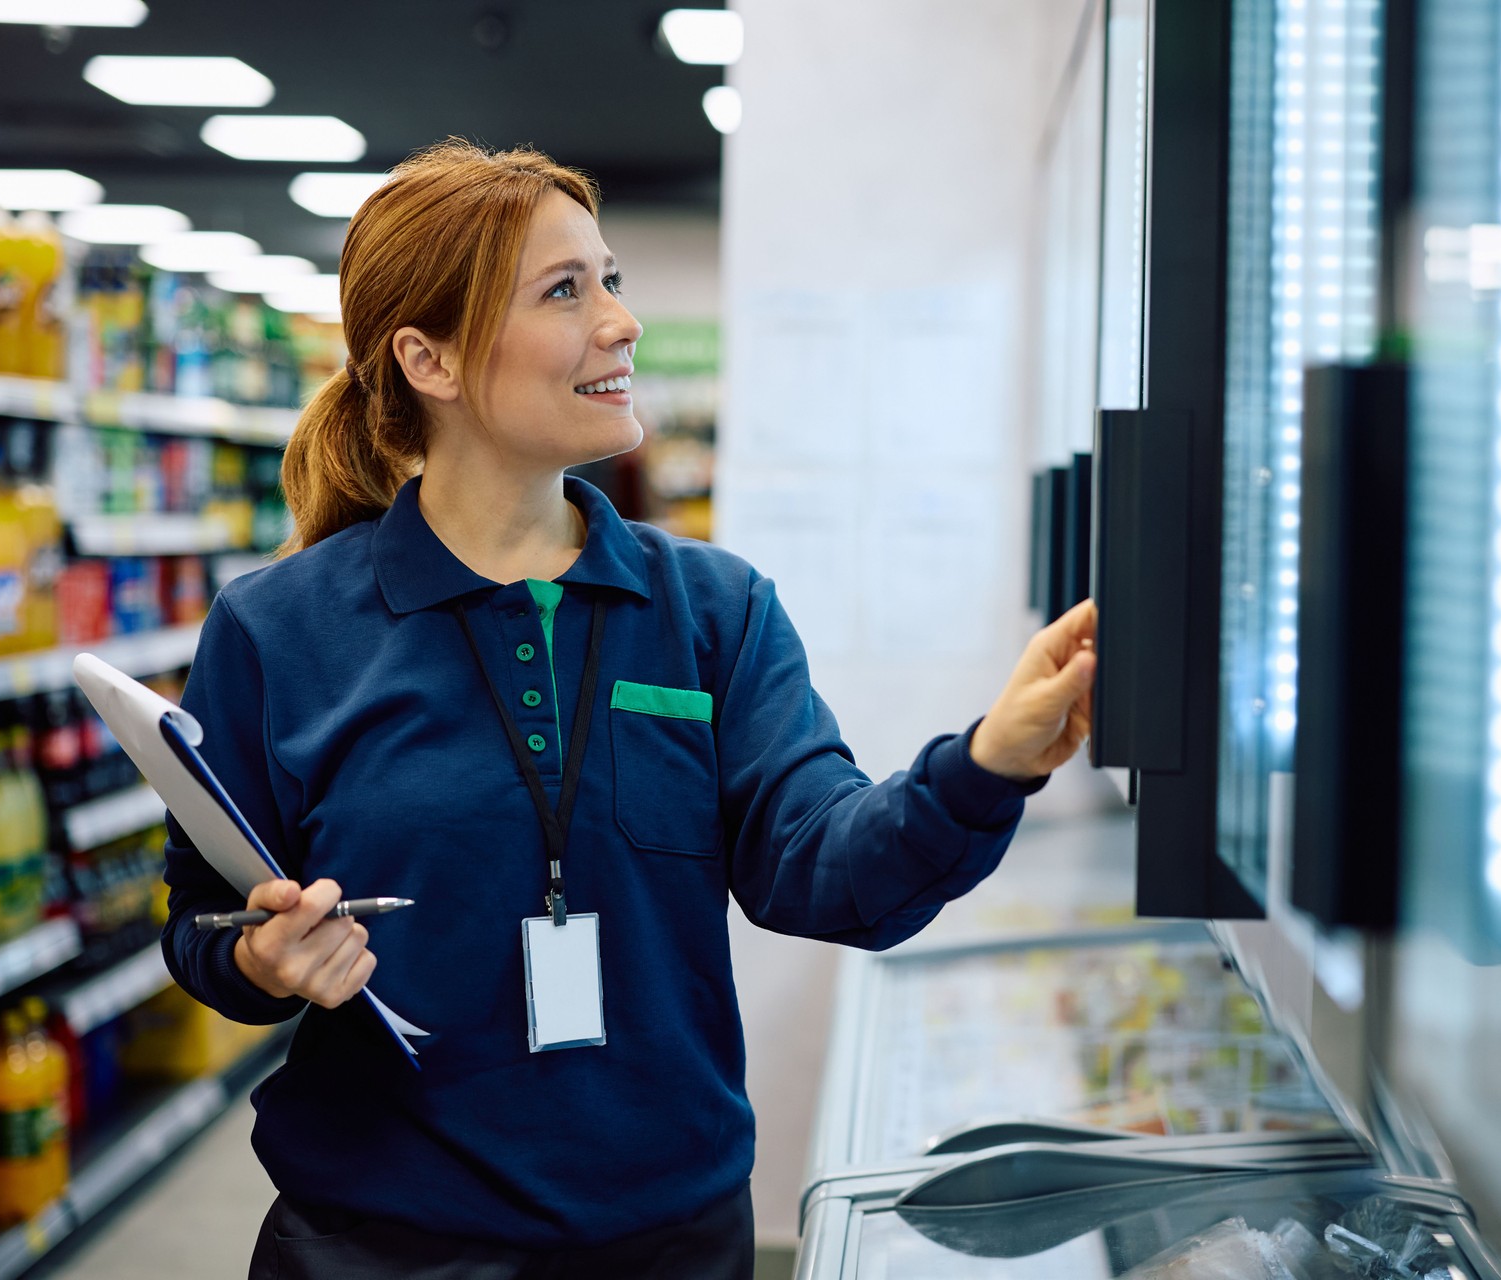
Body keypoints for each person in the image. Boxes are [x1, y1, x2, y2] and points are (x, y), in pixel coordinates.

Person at [161, 140, 1100, 1280]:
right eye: (567, 290)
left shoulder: (712, 608)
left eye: (612, 280)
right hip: (380, 1246)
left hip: (669, 1241)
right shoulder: (278, 631)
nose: (620, 321)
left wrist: (988, 763)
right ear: (429, 358)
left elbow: (829, 867)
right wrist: (263, 958)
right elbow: (203, 922)